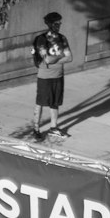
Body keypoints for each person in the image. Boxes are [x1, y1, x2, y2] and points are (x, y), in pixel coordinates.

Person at [31, 12, 73, 141]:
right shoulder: (41, 39)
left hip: (58, 75)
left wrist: (56, 59)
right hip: (45, 76)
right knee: (40, 103)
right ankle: (36, 128)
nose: (58, 26)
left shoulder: (62, 38)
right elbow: (47, 59)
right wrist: (61, 56)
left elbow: (70, 58)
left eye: (59, 23)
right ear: (49, 24)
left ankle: (53, 127)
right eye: (56, 23)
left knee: (55, 103)